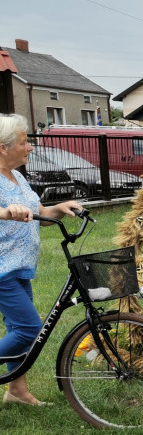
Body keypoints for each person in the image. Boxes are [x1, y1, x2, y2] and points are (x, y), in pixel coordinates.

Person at [0, 113, 82, 406]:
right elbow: (8, 212)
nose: (30, 147)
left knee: (16, 329)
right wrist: (7, 211)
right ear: (4, 147)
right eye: (24, 142)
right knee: (29, 329)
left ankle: (16, 391)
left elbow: (40, 217)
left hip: (20, 268)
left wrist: (59, 208)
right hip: (1, 271)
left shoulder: (18, 177)